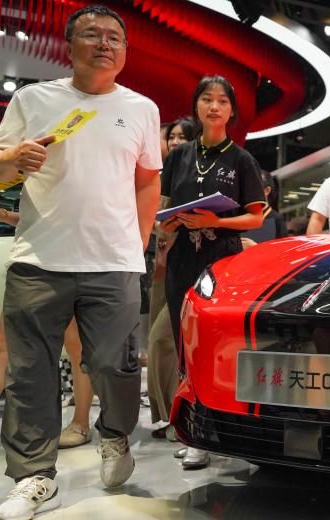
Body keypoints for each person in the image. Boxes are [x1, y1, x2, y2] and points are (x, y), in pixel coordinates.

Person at [0, 5, 162, 518]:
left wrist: (136, 246)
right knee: (29, 371)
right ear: (69, 44)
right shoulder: (34, 99)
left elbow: (148, 181)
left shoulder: (142, 109)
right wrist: (14, 157)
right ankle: (34, 476)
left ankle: (114, 433)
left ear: (125, 51)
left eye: (115, 37)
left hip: (114, 261)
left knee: (113, 362)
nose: (105, 44)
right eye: (92, 34)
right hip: (39, 258)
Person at [159, 75, 266, 469]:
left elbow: (255, 218)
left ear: (232, 110)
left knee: (215, 346)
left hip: (223, 261)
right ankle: (194, 430)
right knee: (183, 344)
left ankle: (218, 430)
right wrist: (167, 224)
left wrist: (215, 221)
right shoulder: (178, 157)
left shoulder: (241, 160)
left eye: (222, 100)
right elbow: (162, 210)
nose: (214, 106)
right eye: (207, 99)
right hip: (181, 259)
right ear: (197, 106)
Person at [0, 199, 97, 458]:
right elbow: (38, 217)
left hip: (71, 261)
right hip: (32, 262)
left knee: (76, 344)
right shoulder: (35, 181)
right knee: (3, 344)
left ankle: (81, 423)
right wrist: (2, 214)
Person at [146, 116, 197, 446]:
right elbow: (151, 220)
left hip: (192, 268)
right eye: (172, 137)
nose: (176, 142)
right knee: (162, 341)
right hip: (162, 268)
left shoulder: (199, 176)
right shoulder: (159, 176)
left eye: (183, 137)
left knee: (164, 340)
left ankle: (181, 415)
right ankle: (170, 415)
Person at [241, 169, 286, 244]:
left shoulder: (277, 220)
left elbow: (282, 249)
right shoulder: (239, 216)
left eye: (253, 187)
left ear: (267, 190)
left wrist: (255, 247)